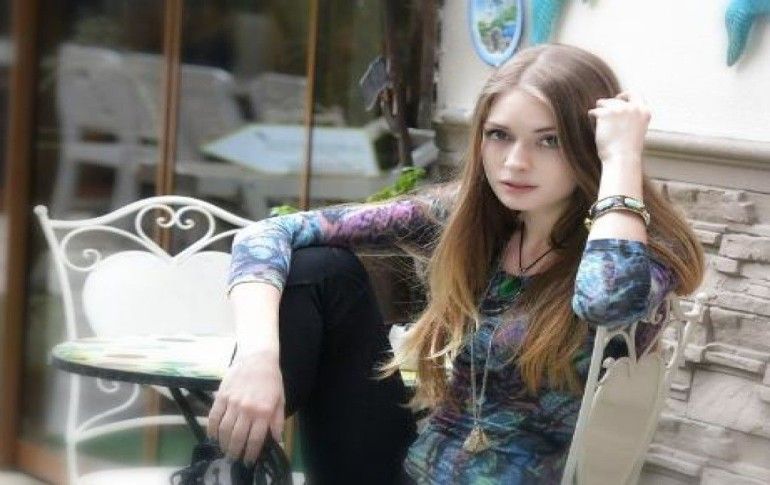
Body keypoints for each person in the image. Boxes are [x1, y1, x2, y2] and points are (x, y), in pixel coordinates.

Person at [206, 43, 705, 484]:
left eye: (548, 140)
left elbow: (606, 301)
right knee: (319, 270)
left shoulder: (637, 251)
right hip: (411, 471)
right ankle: (226, 472)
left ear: (589, 145)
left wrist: (622, 159)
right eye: (499, 135)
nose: (515, 162)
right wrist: (258, 359)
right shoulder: (473, 220)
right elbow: (267, 233)